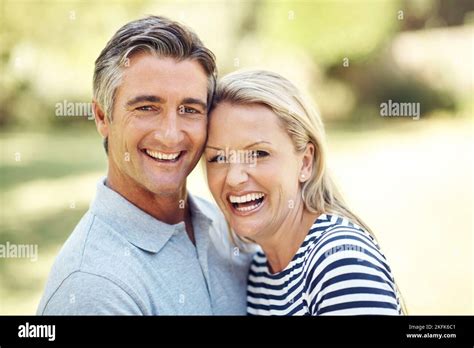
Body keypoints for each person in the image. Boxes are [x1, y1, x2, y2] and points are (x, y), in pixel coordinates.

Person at [37, 16, 252, 315]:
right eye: (147, 108)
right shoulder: (93, 287)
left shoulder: (227, 226)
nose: (170, 135)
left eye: (189, 109)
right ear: (102, 117)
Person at [205, 70, 404, 315]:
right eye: (219, 157)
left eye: (258, 154)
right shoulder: (259, 270)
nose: (234, 178)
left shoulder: (340, 261)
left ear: (305, 162)